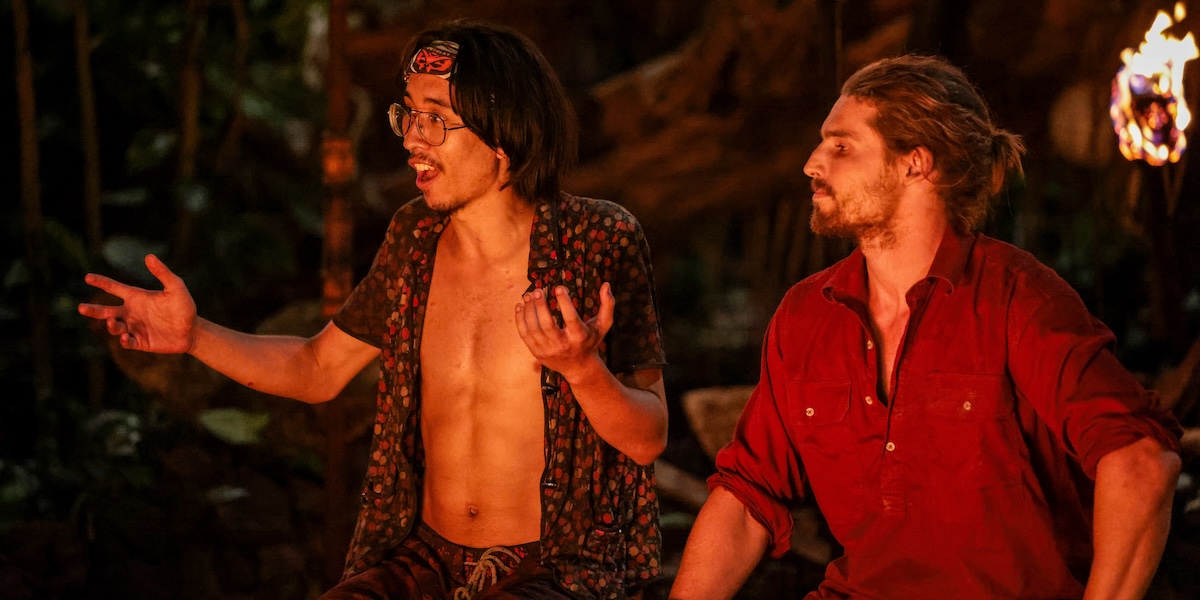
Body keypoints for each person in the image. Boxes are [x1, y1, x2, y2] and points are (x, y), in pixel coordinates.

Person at [79, 20, 668, 600]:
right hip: (425, 558)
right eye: (407, 115)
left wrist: (583, 371)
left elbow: (648, 439)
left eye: (435, 119)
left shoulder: (597, 240)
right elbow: (318, 368)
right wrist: (195, 335)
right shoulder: (415, 238)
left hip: (552, 568)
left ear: (503, 133)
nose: (412, 139)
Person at [668, 54, 1183, 599]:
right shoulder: (806, 315)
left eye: (841, 146)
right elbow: (746, 498)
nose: (813, 163)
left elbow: (1142, 464)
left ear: (915, 164)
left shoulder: (1018, 299)